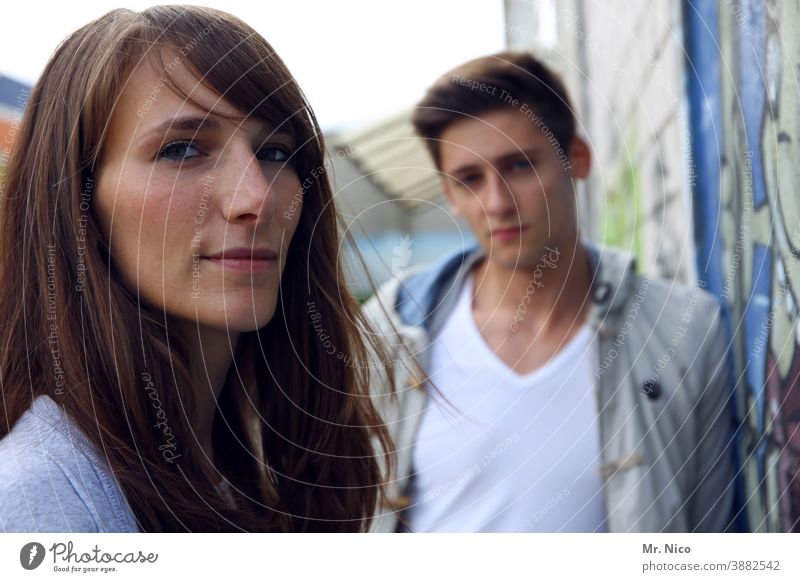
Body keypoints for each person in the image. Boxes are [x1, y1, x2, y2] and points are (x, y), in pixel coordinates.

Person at [0, 5, 390, 532]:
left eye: (275, 151)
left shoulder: (244, 467)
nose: (256, 197)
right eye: (183, 149)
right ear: (77, 200)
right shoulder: (47, 504)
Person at [365, 51, 736, 532]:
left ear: (576, 159)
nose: (496, 202)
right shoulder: (388, 330)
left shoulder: (682, 329)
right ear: (450, 195)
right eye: (470, 179)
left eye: (519, 166)